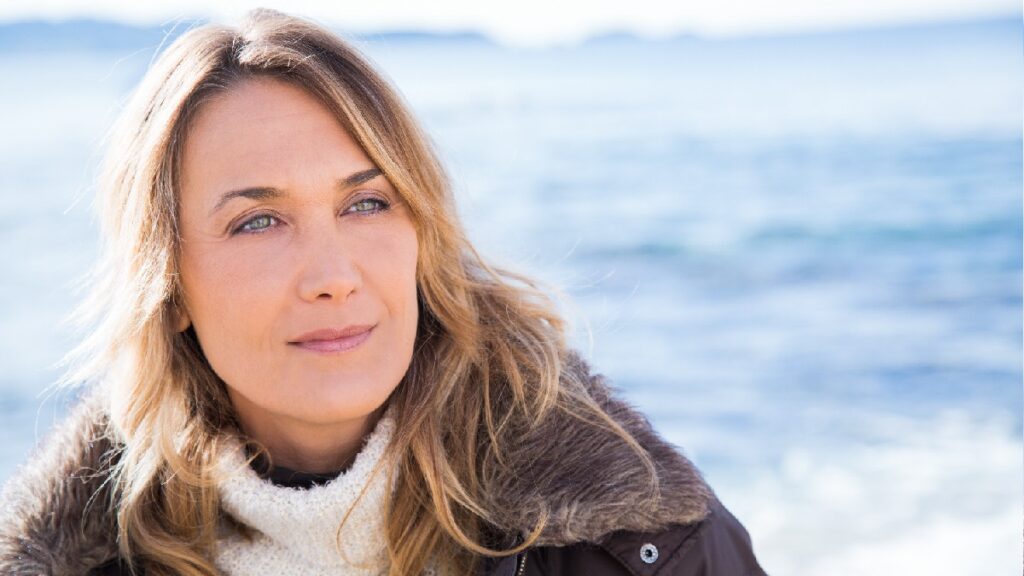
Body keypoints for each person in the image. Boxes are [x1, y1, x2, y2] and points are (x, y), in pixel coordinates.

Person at [0, 9, 767, 576]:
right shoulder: (77, 559)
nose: (334, 277)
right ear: (166, 286)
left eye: (367, 204)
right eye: (258, 221)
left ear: (421, 234)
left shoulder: (639, 546)